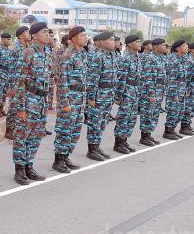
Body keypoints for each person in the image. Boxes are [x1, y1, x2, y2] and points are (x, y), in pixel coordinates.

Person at [12, 22, 51, 184]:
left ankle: (29, 165)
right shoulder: (27, 53)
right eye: (44, 32)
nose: (48, 34)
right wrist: (20, 107)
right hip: (29, 100)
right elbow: (19, 82)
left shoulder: (47, 53)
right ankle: (19, 170)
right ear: (34, 35)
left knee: (36, 135)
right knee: (22, 136)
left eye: (48, 32)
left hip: (42, 101)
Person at [52, 26, 88, 172]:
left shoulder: (83, 54)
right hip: (70, 99)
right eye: (83, 36)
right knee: (65, 130)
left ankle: (66, 156)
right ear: (74, 39)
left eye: (86, 35)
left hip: (80, 99)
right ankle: (58, 160)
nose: (86, 38)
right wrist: (65, 103)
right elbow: (62, 81)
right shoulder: (68, 56)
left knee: (75, 131)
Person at [84, 31, 118, 161]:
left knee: (103, 122)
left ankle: (97, 146)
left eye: (114, 40)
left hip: (109, 94)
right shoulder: (98, 56)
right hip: (99, 95)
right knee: (95, 123)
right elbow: (92, 79)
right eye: (111, 40)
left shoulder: (113, 56)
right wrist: (91, 97)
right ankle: (91, 149)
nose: (113, 42)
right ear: (102, 42)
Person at [113, 34, 142, 154]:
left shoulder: (137, 57)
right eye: (137, 42)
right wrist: (118, 96)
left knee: (131, 118)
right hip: (127, 92)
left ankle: (124, 140)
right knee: (123, 118)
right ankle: (118, 143)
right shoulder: (125, 58)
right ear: (130, 44)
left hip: (135, 91)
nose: (140, 44)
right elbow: (121, 78)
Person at [4, 26, 31, 141]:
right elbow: (11, 69)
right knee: (13, 107)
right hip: (16, 83)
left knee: (22, 106)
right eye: (26, 32)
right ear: (20, 36)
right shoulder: (16, 50)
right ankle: (9, 130)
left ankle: (19, 129)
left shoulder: (29, 48)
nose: (29, 34)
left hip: (26, 83)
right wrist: (12, 86)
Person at [139, 38, 167, 146]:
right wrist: (151, 93)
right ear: (155, 47)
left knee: (154, 115)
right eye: (163, 45)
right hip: (151, 91)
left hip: (159, 90)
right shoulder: (151, 58)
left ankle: (148, 135)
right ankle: (144, 137)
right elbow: (148, 78)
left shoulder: (161, 58)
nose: (165, 47)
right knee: (147, 114)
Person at [162, 40, 189, 140]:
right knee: (173, 111)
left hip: (181, 89)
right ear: (178, 48)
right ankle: (168, 131)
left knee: (180, 111)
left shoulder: (182, 59)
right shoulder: (174, 60)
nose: (187, 47)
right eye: (184, 46)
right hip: (175, 90)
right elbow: (172, 79)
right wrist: (174, 94)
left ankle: (172, 130)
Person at [0, 32, 13, 116]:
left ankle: (1, 109)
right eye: (8, 39)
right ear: (2, 39)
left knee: (5, 93)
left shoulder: (9, 50)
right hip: (0, 74)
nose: (9, 41)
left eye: (10, 39)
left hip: (7, 74)